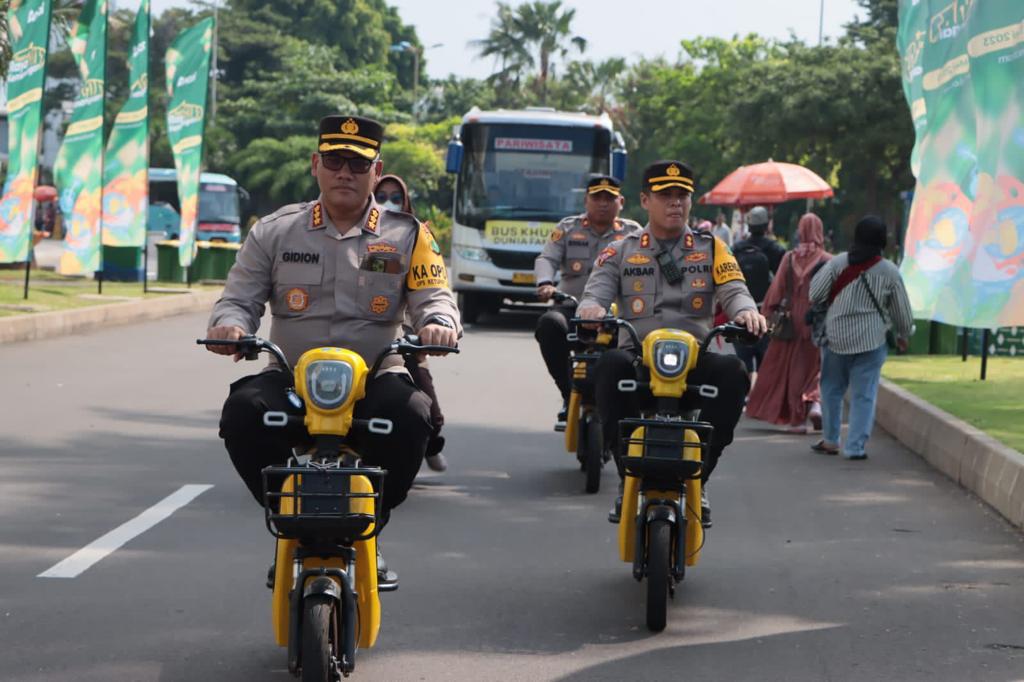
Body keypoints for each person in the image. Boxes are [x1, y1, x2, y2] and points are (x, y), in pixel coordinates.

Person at [204, 115, 462, 586]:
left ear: (376, 170)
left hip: (374, 380)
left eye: (358, 164)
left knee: (414, 415)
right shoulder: (275, 231)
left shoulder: (408, 234)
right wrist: (231, 325)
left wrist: (439, 325)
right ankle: (291, 520)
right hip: (291, 379)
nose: (345, 172)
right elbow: (239, 297)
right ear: (315, 165)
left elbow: (435, 296)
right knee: (242, 412)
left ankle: (369, 529)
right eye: (335, 161)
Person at [577, 160, 767, 527]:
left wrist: (747, 313)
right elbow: (595, 293)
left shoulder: (714, 248)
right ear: (645, 200)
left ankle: (699, 475)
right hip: (639, 361)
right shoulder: (619, 251)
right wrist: (590, 310)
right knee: (608, 366)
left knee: (733, 372)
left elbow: (735, 290)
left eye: (682, 195)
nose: (675, 203)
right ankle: (626, 474)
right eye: (666, 195)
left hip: (695, 363)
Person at [534, 175, 642, 428]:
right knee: (549, 324)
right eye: (597, 197)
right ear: (586, 200)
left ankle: (627, 402)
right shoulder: (568, 228)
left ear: (621, 202)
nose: (603, 203)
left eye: (609, 198)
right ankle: (567, 390)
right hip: (572, 305)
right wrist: (545, 283)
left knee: (635, 346)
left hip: (615, 311)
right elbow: (547, 258)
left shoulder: (633, 233)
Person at [808, 215, 913, 459]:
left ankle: (831, 439)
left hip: (835, 338)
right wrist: (904, 334)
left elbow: (815, 293)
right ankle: (855, 447)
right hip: (871, 341)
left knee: (831, 389)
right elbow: (903, 314)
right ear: (882, 241)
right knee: (864, 394)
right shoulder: (889, 272)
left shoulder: (837, 263)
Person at [374, 173, 449, 472]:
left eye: (395, 197)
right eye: (381, 197)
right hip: (351, 335)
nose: (387, 204)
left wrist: (434, 324)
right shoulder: (351, 233)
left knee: (426, 409)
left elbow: (433, 292)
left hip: (403, 335)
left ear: (406, 202)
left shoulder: (419, 236)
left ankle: (427, 446)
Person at [745, 213, 832, 433]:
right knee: (818, 366)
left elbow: (776, 292)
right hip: (819, 319)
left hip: (793, 319)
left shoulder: (790, 258)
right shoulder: (827, 260)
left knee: (795, 369)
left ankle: (797, 420)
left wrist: (765, 316)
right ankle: (815, 403)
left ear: (800, 231)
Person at [731, 205, 787, 379]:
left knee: (743, 357)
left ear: (749, 225)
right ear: (766, 225)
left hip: (740, 312)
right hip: (766, 311)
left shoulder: (737, 249)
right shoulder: (775, 250)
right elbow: (784, 279)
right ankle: (761, 396)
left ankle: (747, 393)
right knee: (766, 358)